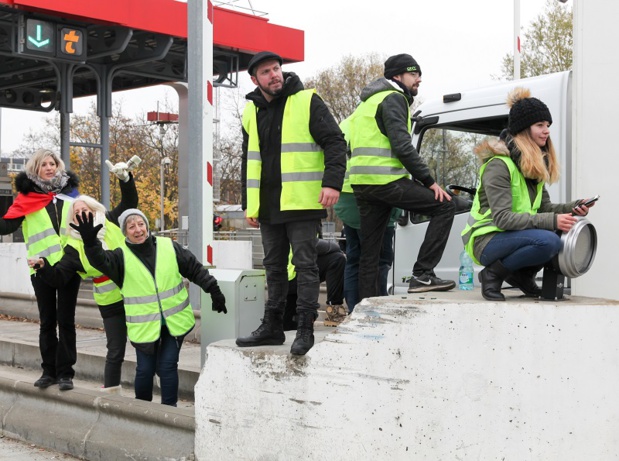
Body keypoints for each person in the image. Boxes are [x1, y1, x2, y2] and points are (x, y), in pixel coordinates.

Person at [235, 51, 347, 356]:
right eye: (266, 72)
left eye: (276, 69)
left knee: (305, 266)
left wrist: (332, 182)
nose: (274, 75)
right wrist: (249, 203)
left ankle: (304, 329)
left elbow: (336, 142)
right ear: (255, 79)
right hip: (269, 205)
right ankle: (272, 327)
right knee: (273, 267)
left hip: (301, 201)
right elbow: (249, 160)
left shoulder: (307, 100)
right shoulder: (250, 111)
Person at [70, 208, 227, 406]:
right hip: (144, 326)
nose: (138, 230)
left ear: (147, 225)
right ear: (125, 232)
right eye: (131, 226)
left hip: (174, 322)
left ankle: (170, 411)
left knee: (168, 366)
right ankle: (143, 410)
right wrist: (90, 242)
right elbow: (99, 260)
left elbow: (194, 268)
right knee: (144, 370)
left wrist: (213, 290)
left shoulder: (168, 246)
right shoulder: (120, 256)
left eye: (141, 224)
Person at [461, 87, 595, 301]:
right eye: (540, 125)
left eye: (548, 125)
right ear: (523, 129)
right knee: (548, 240)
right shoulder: (499, 165)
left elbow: (544, 209)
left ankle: (523, 277)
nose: (546, 131)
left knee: (559, 234)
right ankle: (492, 274)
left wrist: (573, 207)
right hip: (486, 240)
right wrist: (553, 220)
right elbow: (503, 218)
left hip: (510, 236)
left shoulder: (531, 167)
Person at [348, 53, 456, 300]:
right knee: (445, 207)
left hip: (363, 185)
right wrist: (429, 181)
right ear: (397, 76)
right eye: (414, 74)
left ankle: (364, 309)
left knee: (369, 254)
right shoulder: (394, 98)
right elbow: (402, 146)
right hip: (387, 182)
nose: (419, 79)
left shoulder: (366, 103)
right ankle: (423, 275)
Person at [31, 177, 137, 391]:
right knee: (115, 350)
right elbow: (60, 276)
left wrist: (125, 180)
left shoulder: (110, 220)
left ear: (93, 207)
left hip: (136, 290)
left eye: (83, 208)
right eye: (76, 212)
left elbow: (130, 202)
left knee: (146, 345)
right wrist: (44, 268)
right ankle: (110, 393)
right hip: (109, 299)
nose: (81, 213)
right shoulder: (73, 244)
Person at [0, 149, 81, 391]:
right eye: (44, 164)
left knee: (66, 321)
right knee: (47, 322)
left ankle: (66, 373)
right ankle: (49, 372)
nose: (49, 167)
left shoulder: (71, 195)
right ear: (35, 169)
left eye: (52, 163)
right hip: (40, 267)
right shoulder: (26, 198)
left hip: (68, 266)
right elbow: (5, 226)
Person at [334, 117, 401, 312]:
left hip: (346, 195)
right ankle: (375, 309)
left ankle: (355, 310)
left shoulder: (347, 123)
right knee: (379, 259)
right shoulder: (381, 119)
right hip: (374, 193)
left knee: (354, 258)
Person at [283, 238, 347, 330]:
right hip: (293, 279)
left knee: (288, 323)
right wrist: (337, 246)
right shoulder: (300, 227)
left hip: (282, 284)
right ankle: (334, 311)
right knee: (337, 258)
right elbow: (315, 244)